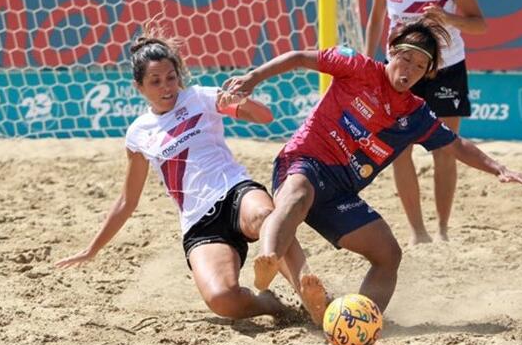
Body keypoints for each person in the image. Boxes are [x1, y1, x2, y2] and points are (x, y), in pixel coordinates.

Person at [221, 15, 522, 318]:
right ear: (391, 51)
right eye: (406, 59)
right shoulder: (357, 66)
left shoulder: (415, 114)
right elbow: (299, 57)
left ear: (426, 73)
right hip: (304, 161)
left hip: (340, 193)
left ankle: (357, 317)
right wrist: (252, 78)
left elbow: (455, 144)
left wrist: (498, 168)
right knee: (298, 195)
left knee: (389, 254)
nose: (410, 70)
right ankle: (270, 258)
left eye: (419, 66)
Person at [55, 24, 326, 322]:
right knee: (223, 299)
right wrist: (92, 249)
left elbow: (265, 117)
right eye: (155, 81)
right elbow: (127, 201)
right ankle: (271, 305)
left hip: (234, 190)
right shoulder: (138, 134)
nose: (166, 87)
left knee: (264, 216)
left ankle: (312, 294)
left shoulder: (201, 97)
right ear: (139, 87)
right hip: (199, 221)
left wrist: (240, 102)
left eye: (171, 77)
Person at [365, 0, 488, 245]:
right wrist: (368, 62)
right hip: (403, 70)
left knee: (444, 149)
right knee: (399, 149)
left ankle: (444, 230)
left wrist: (446, 17)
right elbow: (376, 19)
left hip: (445, 67)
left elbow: (479, 23)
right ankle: (418, 233)